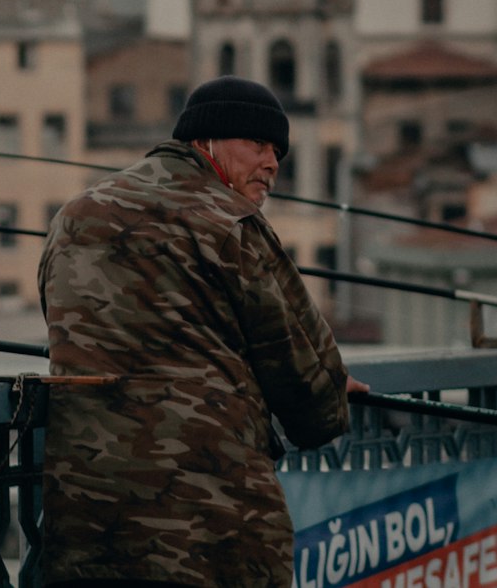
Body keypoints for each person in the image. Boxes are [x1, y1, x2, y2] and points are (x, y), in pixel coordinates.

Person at [38, 75, 364, 588]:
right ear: (204, 140)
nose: (272, 163)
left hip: (89, 514)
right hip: (211, 523)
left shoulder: (73, 216)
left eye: (277, 151)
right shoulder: (234, 222)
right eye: (256, 144)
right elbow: (311, 397)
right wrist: (332, 387)